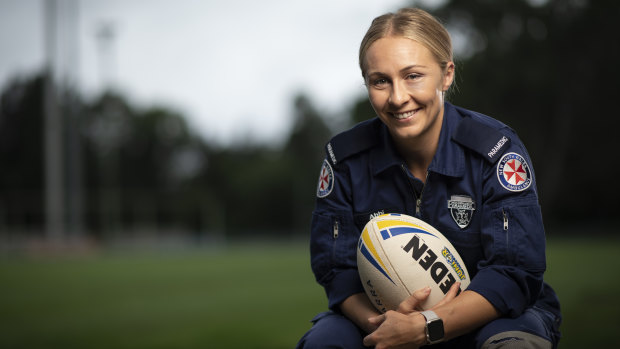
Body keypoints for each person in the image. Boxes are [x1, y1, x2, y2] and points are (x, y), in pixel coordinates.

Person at [296, 7, 561, 349]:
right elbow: (336, 270)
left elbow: (514, 273)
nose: (397, 97)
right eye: (380, 80)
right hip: (380, 315)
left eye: (413, 76)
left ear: (446, 74)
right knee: (325, 343)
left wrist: (426, 327)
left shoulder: (496, 150)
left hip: (495, 315)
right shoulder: (345, 158)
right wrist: (387, 327)